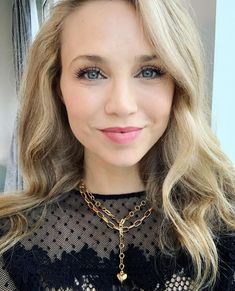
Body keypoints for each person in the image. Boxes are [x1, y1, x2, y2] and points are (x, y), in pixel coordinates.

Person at [0, 0, 235, 290]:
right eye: (92, 73)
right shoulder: (11, 241)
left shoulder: (227, 222)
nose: (122, 105)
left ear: (179, 83)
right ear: (56, 85)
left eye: (149, 71)